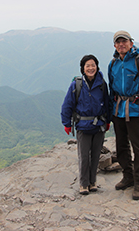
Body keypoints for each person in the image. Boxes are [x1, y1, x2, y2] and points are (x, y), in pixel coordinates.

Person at [108, 30, 139, 200]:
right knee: (121, 145)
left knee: (138, 146)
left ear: (131, 43)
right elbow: (111, 89)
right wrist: (110, 111)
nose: (121, 44)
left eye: (124, 41)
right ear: (115, 45)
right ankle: (128, 176)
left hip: (136, 109)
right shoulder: (113, 63)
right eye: (118, 42)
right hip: (118, 110)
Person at [61, 54, 110, 195]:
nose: (90, 68)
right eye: (87, 65)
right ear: (83, 68)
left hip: (99, 125)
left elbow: (107, 103)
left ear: (97, 67)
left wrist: (108, 121)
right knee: (84, 156)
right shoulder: (76, 84)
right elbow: (67, 105)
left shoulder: (101, 84)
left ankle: (92, 182)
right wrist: (67, 123)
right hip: (83, 125)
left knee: (95, 155)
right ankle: (83, 184)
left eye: (93, 65)